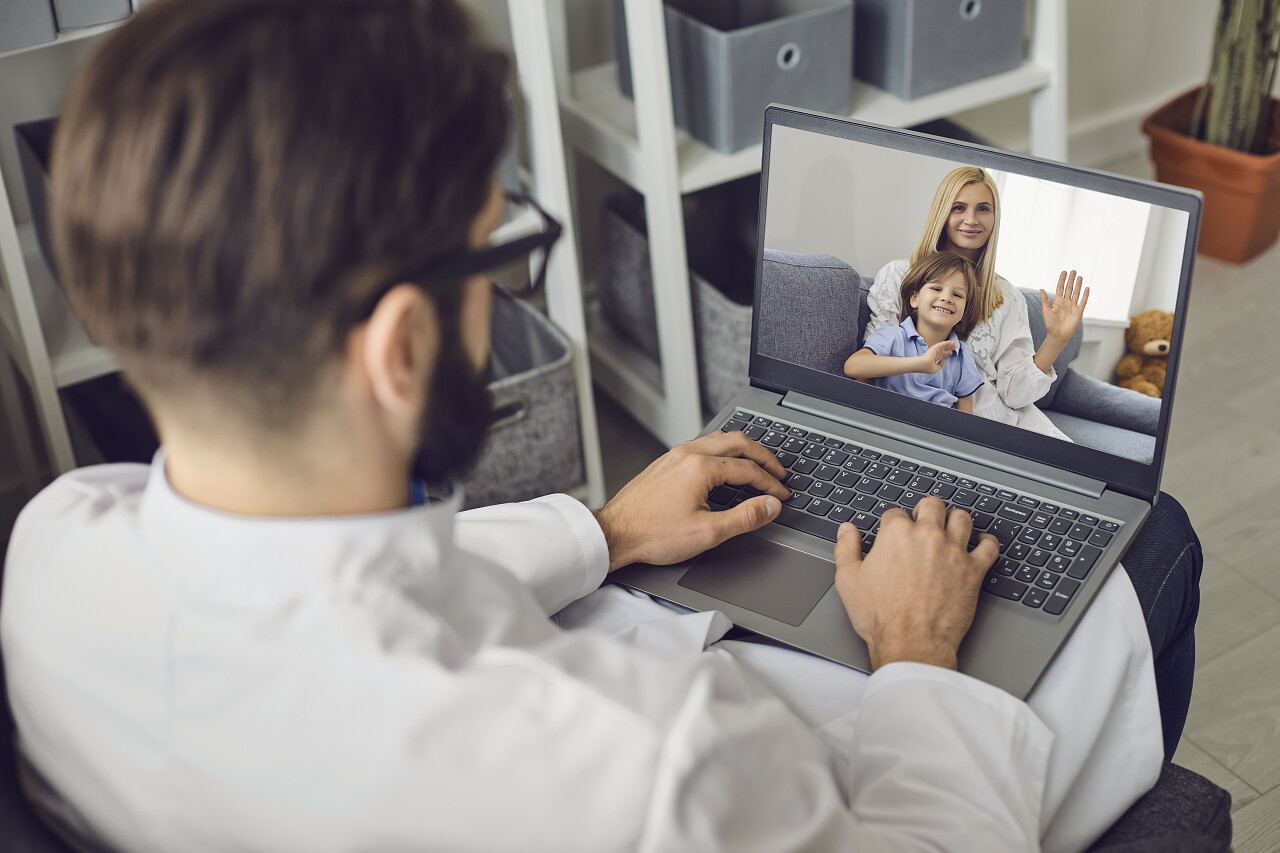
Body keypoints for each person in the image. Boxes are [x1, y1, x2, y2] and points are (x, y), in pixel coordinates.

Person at [0, 2, 1198, 852]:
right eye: (496, 256)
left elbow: (307, 584)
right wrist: (919, 661)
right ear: (399, 346)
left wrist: (600, 529)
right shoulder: (650, 767)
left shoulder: (55, 551)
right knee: (1157, 544)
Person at [865, 166, 1090, 438]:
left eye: (983, 209)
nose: (971, 220)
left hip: (1000, 419)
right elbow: (869, 367)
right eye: (959, 207)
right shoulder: (899, 275)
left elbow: (1015, 396)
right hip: (925, 417)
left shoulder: (1007, 297)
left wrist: (1056, 340)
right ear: (942, 212)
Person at [845, 252, 984, 412]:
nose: (946, 298)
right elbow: (853, 367)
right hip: (891, 422)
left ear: (964, 313)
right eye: (937, 288)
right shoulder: (893, 336)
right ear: (915, 298)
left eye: (957, 294)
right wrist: (920, 364)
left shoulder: (962, 355)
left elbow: (965, 414)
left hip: (937, 431)